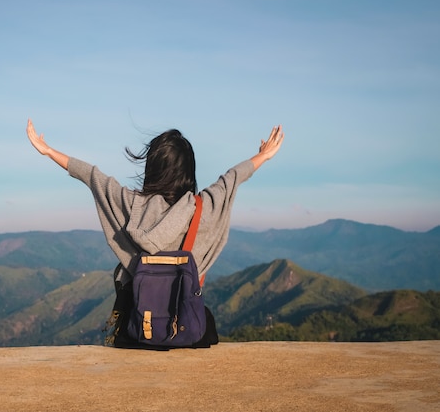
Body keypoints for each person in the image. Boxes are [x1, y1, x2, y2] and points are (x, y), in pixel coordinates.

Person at [26, 118, 284, 346]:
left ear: (152, 167)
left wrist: (48, 151)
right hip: (186, 329)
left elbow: (92, 176)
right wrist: (263, 155)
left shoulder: (130, 205)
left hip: (136, 329)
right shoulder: (202, 210)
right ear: (187, 171)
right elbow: (231, 179)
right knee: (208, 323)